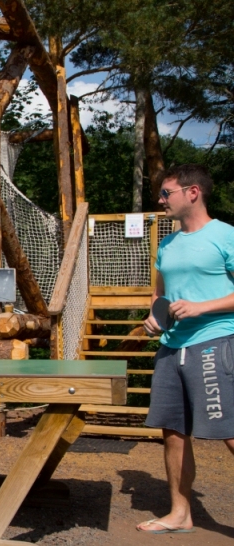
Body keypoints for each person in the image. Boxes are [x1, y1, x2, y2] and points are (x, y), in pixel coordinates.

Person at [138, 165, 234, 534]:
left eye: (167, 193)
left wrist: (200, 307)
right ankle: (180, 513)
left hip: (213, 342)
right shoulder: (167, 243)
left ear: (192, 193)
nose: (160, 200)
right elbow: (160, 293)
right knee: (173, 431)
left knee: (229, 430)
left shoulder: (224, 236)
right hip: (171, 347)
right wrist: (154, 316)